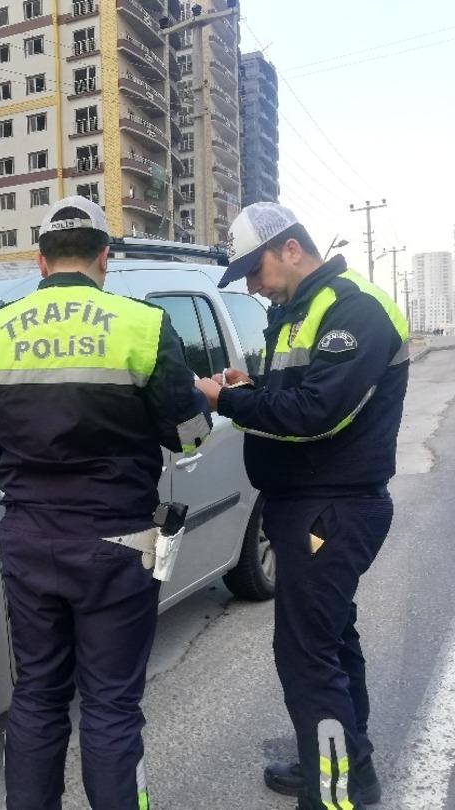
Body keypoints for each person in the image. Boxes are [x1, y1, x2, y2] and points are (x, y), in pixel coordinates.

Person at [0, 196, 211, 810]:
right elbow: (189, 435)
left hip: (30, 541)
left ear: (41, 261)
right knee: (111, 705)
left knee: (38, 696)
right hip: (119, 544)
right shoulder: (143, 326)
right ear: (104, 257)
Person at [194, 203, 409, 810]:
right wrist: (250, 389)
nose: (253, 286)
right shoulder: (296, 311)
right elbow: (294, 393)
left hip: (333, 508)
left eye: (255, 271)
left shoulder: (353, 309)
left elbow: (317, 413)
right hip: (307, 505)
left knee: (308, 656)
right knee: (331, 641)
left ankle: (333, 794)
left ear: (290, 249)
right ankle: (344, 766)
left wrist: (226, 401)